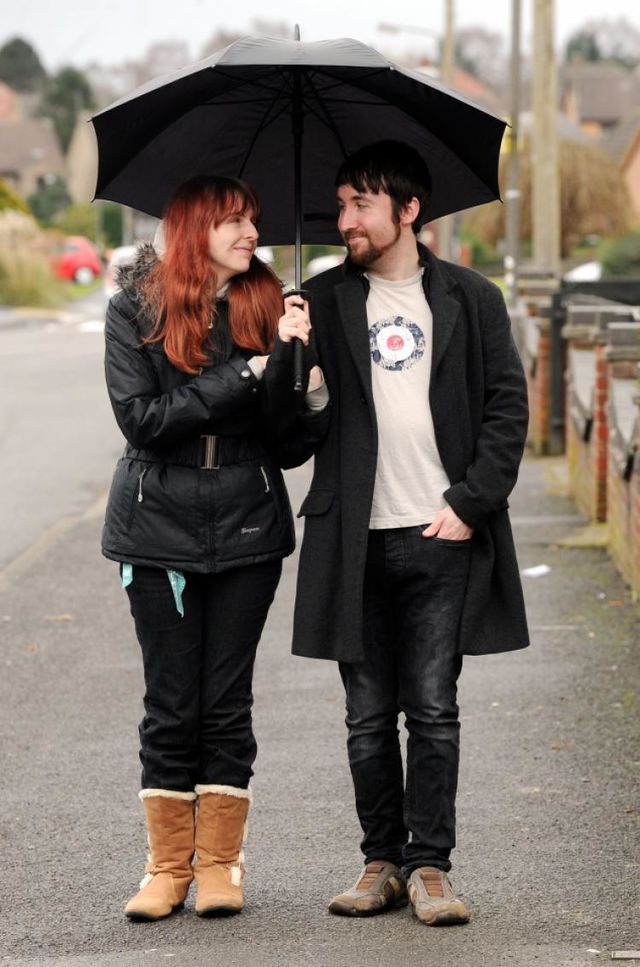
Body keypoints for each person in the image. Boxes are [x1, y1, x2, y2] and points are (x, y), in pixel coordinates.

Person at [292, 141, 529, 925]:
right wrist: (295, 367)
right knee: (366, 716)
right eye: (341, 204)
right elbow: (291, 438)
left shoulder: (472, 297)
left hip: (440, 533)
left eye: (361, 204)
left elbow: (506, 407)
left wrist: (470, 502)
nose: (345, 220)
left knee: (431, 708)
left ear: (408, 209)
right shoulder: (321, 302)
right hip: (352, 538)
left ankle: (430, 866)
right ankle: (381, 861)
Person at [101, 175, 329, 922]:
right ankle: (168, 867)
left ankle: (221, 865)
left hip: (247, 524)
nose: (250, 233)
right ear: (195, 228)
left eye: (252, 220)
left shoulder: (271, 308)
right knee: (170, 701)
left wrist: (305, 385)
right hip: (156, 525)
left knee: (227, 700)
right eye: (233, 220)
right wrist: (247, 372)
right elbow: (144, 420)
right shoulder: (135, 310)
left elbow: (287, 446)